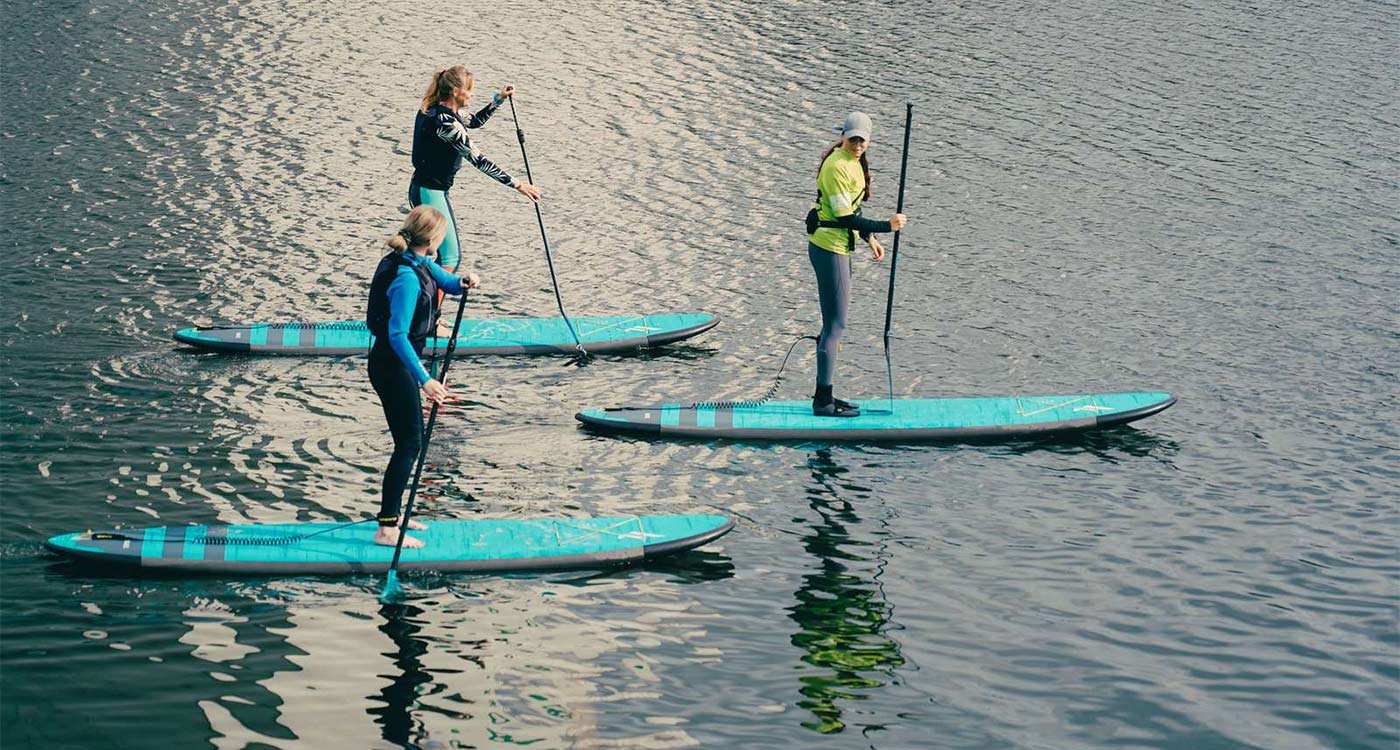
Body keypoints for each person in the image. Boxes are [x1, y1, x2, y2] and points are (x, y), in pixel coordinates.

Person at [366, 205, 479, 549]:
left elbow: (446, 282)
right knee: (410, 444)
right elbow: (398, 335)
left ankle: (394, 515)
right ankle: (387, 528)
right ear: (432, 238)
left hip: (398, 365)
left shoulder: (417, 261)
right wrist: (425, 380)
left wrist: (464, 281)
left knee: (411, 442)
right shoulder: (405, 279)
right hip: (392, 366)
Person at [806, 112, 908, 417]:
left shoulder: (854, 164)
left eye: (863, 139)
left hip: (839, 247)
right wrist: (885, 227)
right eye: (853, 138)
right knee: (835, 326)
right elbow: (843, 217)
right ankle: (823, 401)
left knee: (832, 325)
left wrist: (869, 239)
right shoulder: (837, 166)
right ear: (843, 136)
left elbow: (853, 208)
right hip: (830, 248)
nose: (858, 144)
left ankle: (826, 394)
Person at [409, 65, 541, 280]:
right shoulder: (447, 124)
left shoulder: (438, 109)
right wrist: (519, 185)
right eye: (469, 90)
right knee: (450, 258)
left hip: (422, 189)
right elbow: (479, 160)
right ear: (455, 91)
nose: (472, 94)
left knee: (436, 256)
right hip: (430, 192)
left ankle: (426, 308)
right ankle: (429, 311)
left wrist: (498, 100)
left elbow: (475, 121)